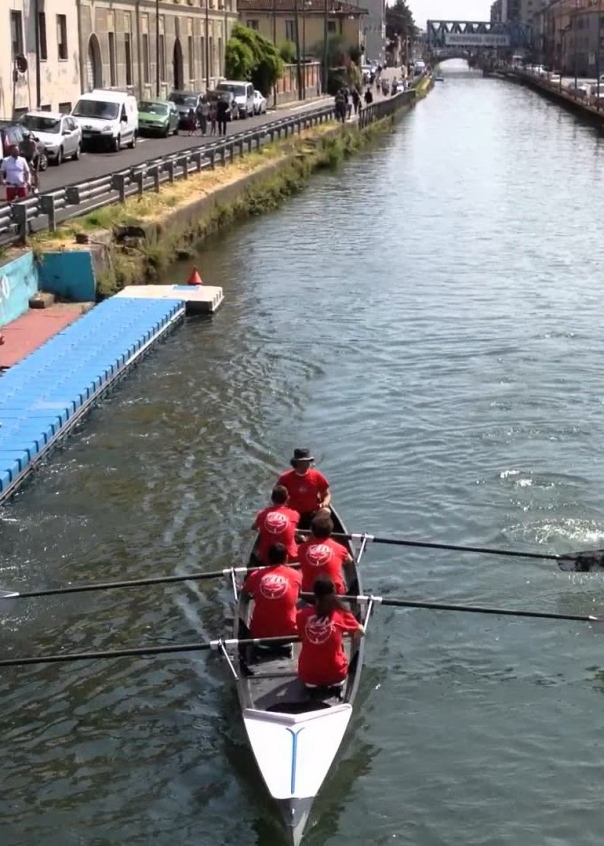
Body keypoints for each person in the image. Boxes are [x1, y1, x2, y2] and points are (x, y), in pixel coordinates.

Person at [296, 576, 364, 688]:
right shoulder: (341, 613)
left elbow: (300, 635)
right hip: (337, 676)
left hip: (308, 677)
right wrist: (352, 633)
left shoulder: (301, 615)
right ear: (334, 593)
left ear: (315, 595)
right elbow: (361, 632)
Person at [242, 542, 302, 640]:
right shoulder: (296, 575)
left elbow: (244, 594)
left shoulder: (255, 575)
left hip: (259, 633)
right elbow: (297, 594)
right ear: (286, 558)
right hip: (289, 633)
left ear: (268, 559)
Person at [297, 513, 351, 595]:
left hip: (309, 594)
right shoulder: (340, 548)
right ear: (330, 532)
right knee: (344, 564)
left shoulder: (301, 548)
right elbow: (349, 562)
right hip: (335, 593)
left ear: (311, 530)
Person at [276, 448, 330, 528]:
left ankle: (316, 531)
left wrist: (325, 502)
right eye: (303, 462)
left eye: (308, 461)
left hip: (312, 513)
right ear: (296, 463)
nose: (307, 464)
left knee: (326, 511)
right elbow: (277, 498)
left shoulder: (316, 475)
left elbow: (326, 494)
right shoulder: (285, 478)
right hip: (291, 513)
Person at [252, 485, 300, 564]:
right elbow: (292, 530)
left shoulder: (262, 514)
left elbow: (253, 527)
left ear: (272, 498)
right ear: (287, 498)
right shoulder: (295, 514)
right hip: (289, 556)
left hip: (265, 557)